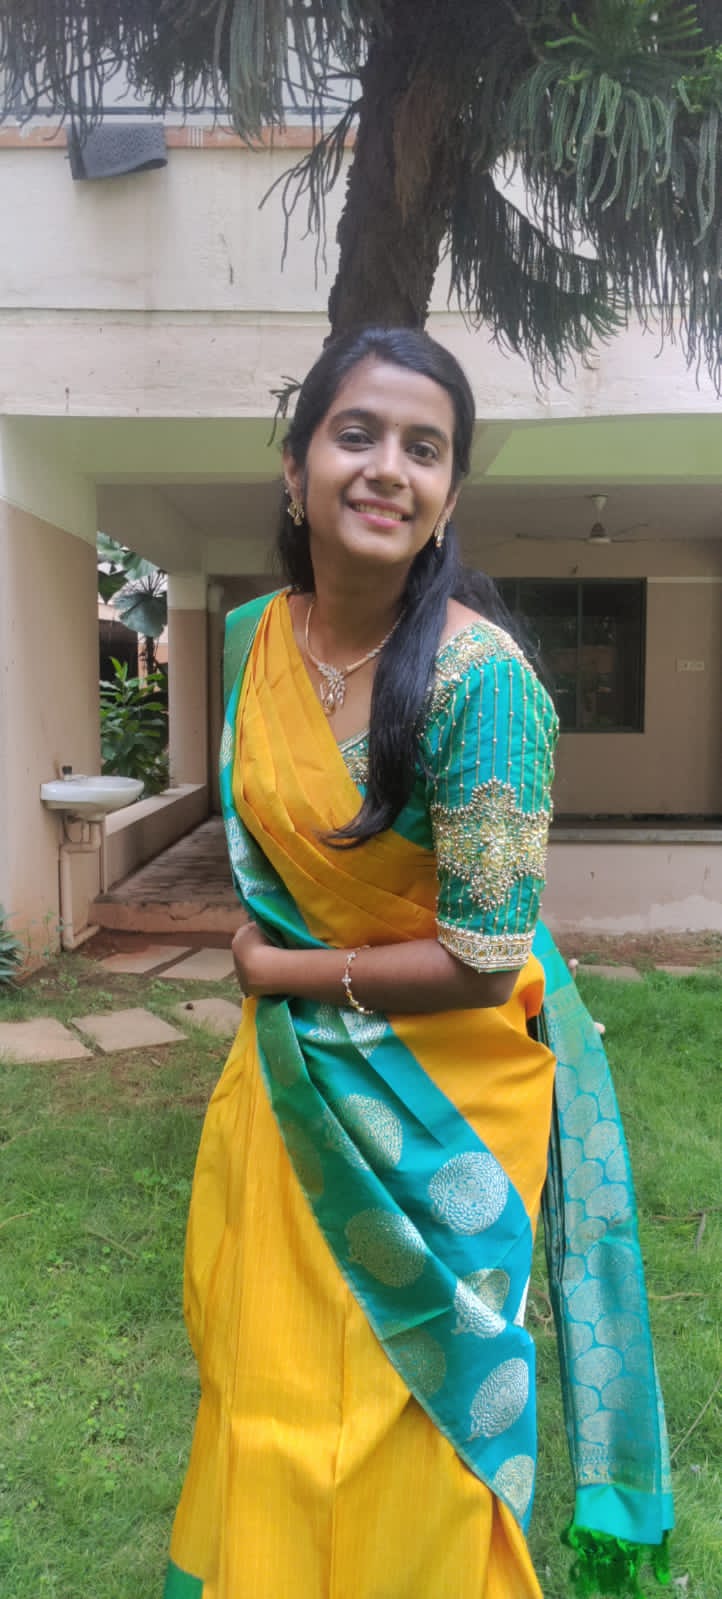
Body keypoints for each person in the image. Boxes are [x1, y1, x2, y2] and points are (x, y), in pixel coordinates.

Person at [163, 328, 672, 1599]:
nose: (387, 467)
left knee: (418, 1421)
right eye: (356, 435)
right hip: (292, 1092)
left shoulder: (481, 682)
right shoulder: (253, 644)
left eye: (424, 448)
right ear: (294, 471)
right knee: (269, 1388)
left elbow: (482, 960)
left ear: (446, 495)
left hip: (448, 1109)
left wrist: (279, 975)